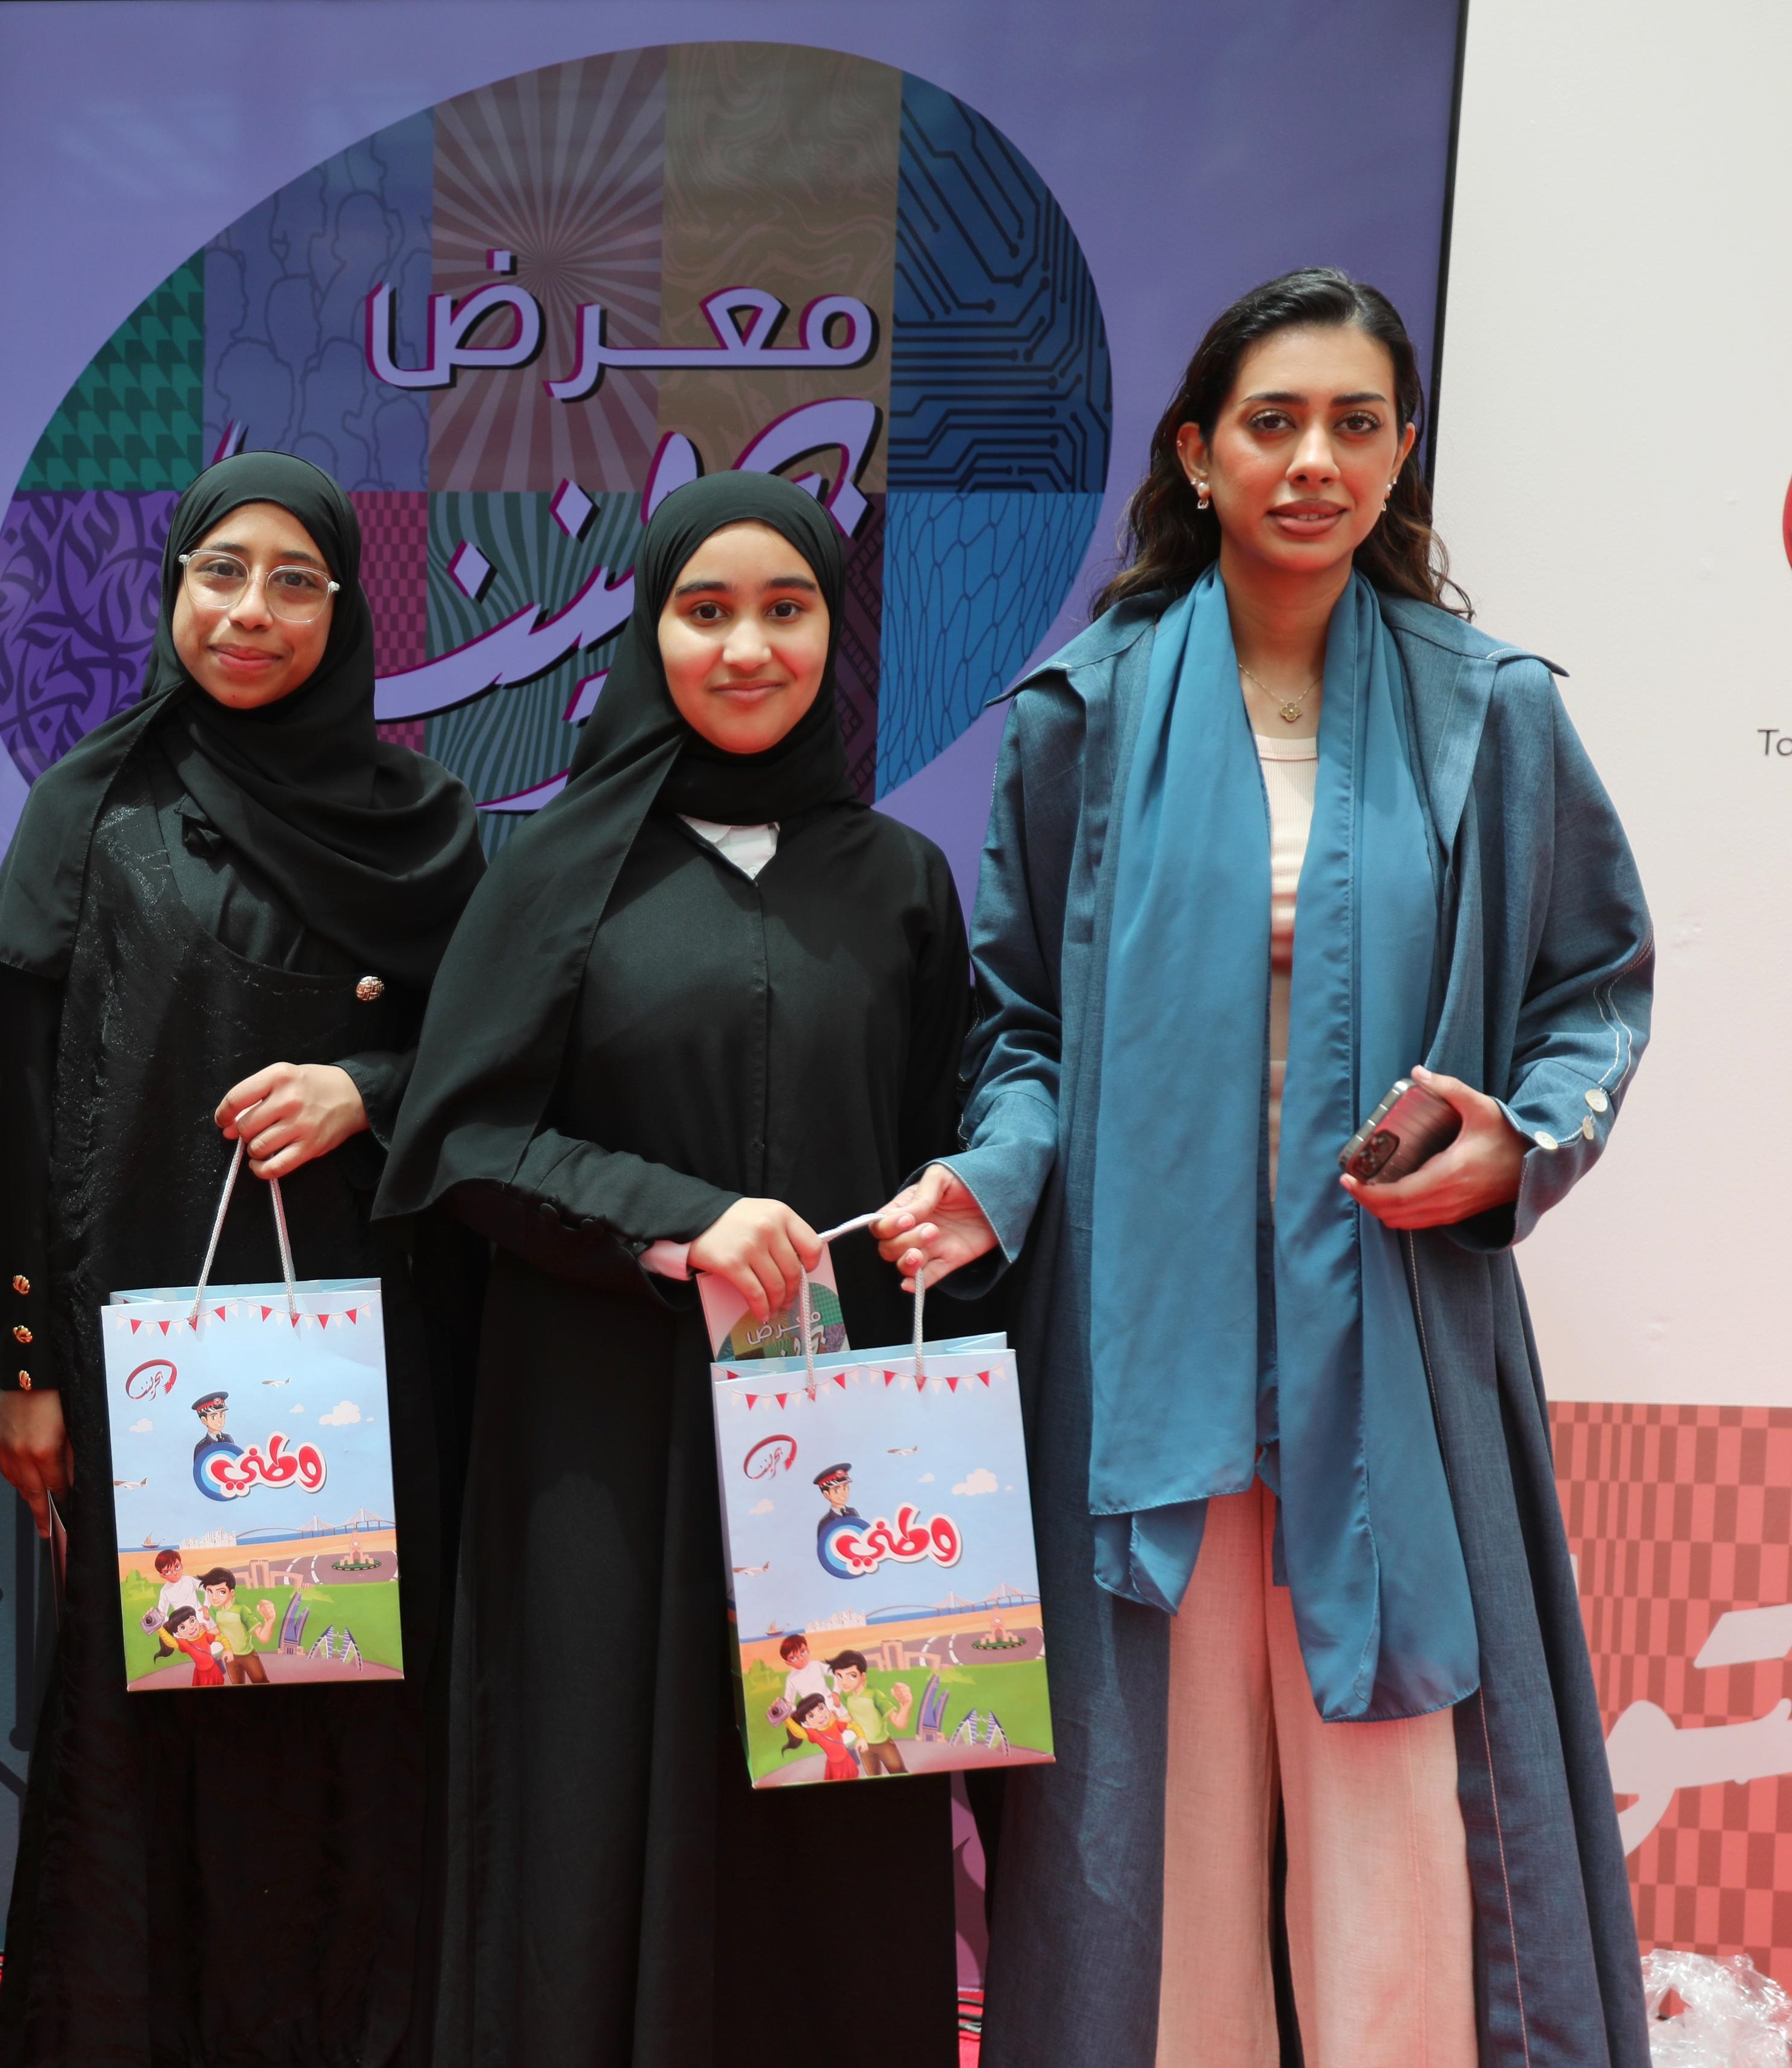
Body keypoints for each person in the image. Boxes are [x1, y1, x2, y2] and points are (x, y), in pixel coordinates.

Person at [871, 269, 1654, 2068]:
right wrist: (998, 1173)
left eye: (1356, 425)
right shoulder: (1081, 710)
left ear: (1401, 452)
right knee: (1160, 1819)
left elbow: (1592, 988)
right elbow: (1019, 1027)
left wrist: (1518, 1142)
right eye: (1273, 422)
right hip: (1142, 1342)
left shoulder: (1490, 712)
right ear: (1195, 453)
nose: (1314, 461)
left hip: (1395, 1329)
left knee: (1399, 1808)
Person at [376, 470, 971, 2063]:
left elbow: (941, 1130)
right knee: (594, 1798)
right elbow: (461, 1140)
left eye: (788, 609)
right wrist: (674, 1218)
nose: (748, 647)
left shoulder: (902, 880)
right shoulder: (557, 870)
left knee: (832, 1809)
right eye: (706, 611)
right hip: (602, 1427)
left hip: (838, 1435)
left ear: (835, 635)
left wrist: (951, 1210)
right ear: (647, 634)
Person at [0, 452, 486, 2064]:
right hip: (142, 1368)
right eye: (220, 572)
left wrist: (367, 1091)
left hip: (358, 1374)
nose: (250, 613)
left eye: (294, 582)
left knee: (341, 1727)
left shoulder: (426, 831)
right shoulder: (91, 810)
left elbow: (495, 1064)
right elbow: (21, 1110)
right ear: (173, 590)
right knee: (148, 1728)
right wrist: (31, 1369)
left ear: (345, 613)